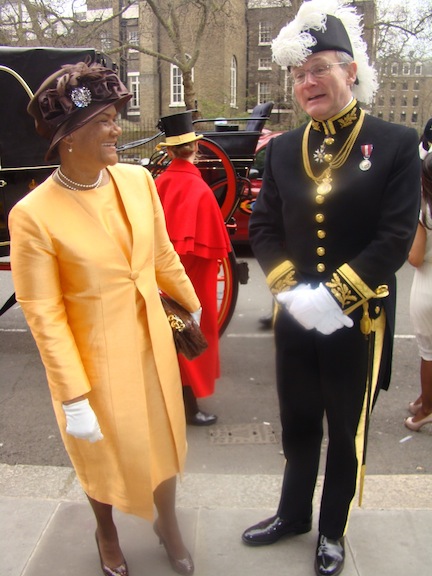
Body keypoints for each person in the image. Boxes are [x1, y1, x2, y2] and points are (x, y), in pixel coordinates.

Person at [241, 2, 421, 576]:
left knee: (344, 427)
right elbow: (263, 226)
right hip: (296, 314)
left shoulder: (394, 142)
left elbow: (395, 238)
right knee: (296, 419)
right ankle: (293, 513)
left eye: (318, 68)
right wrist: (292, 290)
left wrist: (336, 294)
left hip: (356, 318)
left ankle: (332, 529)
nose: (306, 83)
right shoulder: (284, 149)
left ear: (351, 71)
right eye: (297, 74)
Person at [9, 61, 201, 576]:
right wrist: (72, 397)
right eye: (106, 120)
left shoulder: (137, 181)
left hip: (153, 345)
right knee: (101, 454)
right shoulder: (33, 215)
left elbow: (161, 254)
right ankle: (107, 531)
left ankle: (167, 521)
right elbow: (44, 314)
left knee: (163, 438)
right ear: (69, 136)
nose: (119, 129)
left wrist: (191, 302)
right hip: (91, 362)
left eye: (117, 117)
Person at [154, 111, 232, 426]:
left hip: (160, 274)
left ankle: (168, 402)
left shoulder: (158, 183)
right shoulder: (200, 190)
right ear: (196, 150)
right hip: (194, 277)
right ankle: (189, 408)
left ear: (169, 152)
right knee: (190, 336)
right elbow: (215, 248)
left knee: (164, 336)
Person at [406, 152, 432, 431]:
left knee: (429, 352)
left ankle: (426, 409)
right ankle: (424, 398)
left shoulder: (424, 211)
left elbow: (415, 257)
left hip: (428, 283)